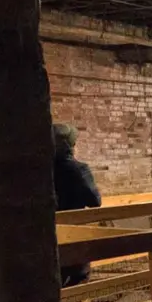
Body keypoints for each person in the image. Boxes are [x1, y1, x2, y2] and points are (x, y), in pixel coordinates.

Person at [53, 123, 102, 287]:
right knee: (79, 279)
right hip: (74, 234)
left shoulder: (43, 171)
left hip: (51, 237)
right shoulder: (79, 170)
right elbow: (95, 201)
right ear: (71, 146)